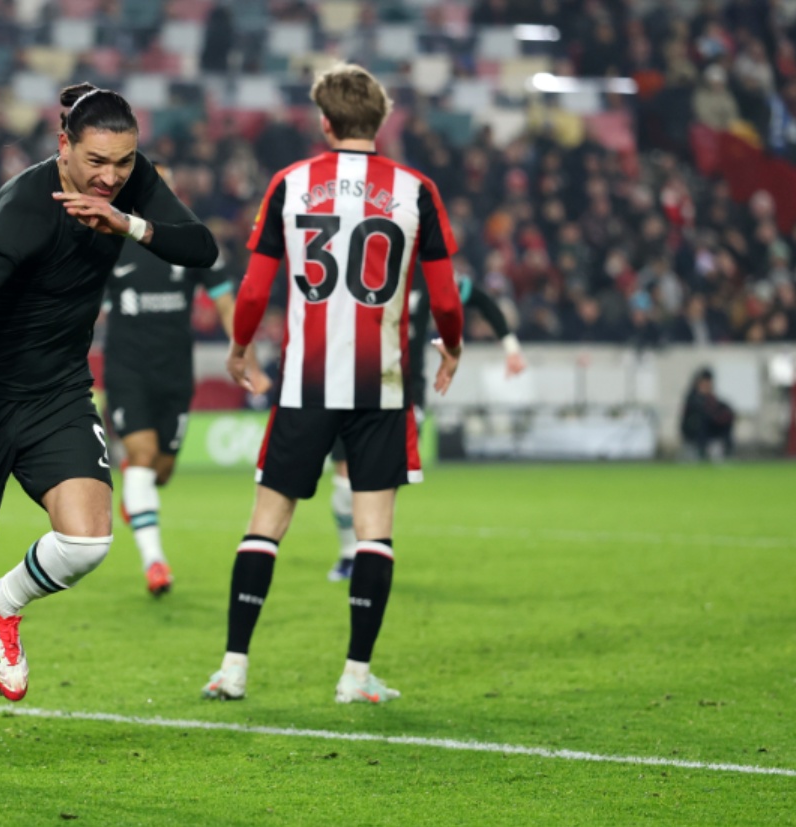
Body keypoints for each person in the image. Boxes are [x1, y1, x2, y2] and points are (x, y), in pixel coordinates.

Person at [0, 83, 218, 778]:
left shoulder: (129, 183)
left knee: (88, 539)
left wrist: (129, 223)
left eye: (122, 161)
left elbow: (199, 247)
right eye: (95, 161)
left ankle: (9, 602)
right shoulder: (24, 209)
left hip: (56, 389)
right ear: (63, 147)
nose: (110, 175)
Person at [200, 63, 464, 705]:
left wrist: (239, 347)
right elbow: (447, 297)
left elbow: (256, 286)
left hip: (304, 384)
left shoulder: (291, 183)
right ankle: (355, 675)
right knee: (374, 533)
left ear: (325, 122)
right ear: (381, 120)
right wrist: (450, 347)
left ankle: (233, 667)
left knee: (266, 525)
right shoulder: (415, 189)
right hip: (382, 385)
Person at [327, 270, 526, 580]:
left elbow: (481, 300)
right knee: (343, 477)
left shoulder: (428, 274)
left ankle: (372, 550)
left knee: (385, 477)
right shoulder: (355, 264)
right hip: (349, 384)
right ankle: (348, 554)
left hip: (404, 391)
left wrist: (511, 348)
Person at [104, 226, 270, 596]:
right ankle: (155, 562)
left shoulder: (192, 244)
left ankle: (136, 482)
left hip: (176, 374)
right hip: (126, 371)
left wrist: (246, 355)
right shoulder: (110, 243)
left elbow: (227, 303)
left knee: (160, 472)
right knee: (144, 453)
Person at [680, 367, 735, 459]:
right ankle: (702, 451)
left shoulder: (712, 399)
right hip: (694, 435)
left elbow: (722, 409)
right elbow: (703, 414)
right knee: (703, 421)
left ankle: (725, 450)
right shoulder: (693, 399)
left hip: (711, 433)